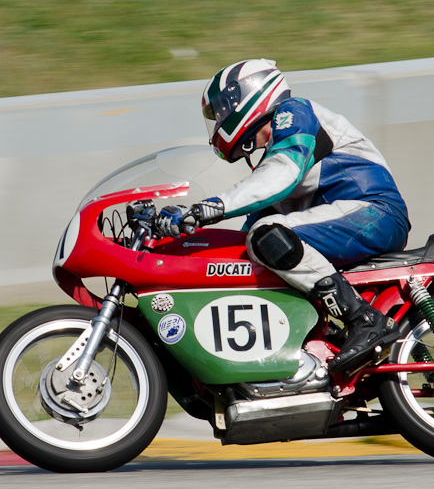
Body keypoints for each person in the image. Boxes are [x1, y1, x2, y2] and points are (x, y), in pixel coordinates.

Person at [155, 59, 411, 374]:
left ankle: (365, 321)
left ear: (248, 94)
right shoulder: (272, 157)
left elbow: (282, 176)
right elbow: (244, 236)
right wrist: (178, 239)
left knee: (267, 235)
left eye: (221, 110)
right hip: (353, 220)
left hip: (375, 212)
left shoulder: (294, 114)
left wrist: (208, 207)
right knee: (259, 246)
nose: (219, 119)